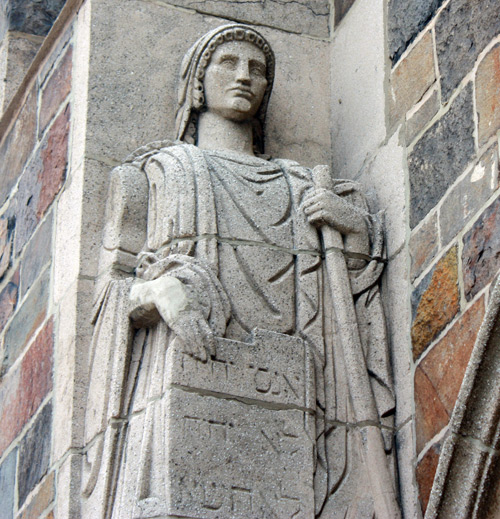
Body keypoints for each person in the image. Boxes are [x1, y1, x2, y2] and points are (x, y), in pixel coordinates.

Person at [83, 24, 396, 518]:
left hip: (294, 404)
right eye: (227, 62)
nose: (244, 76)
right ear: (198, 81)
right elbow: (109, 299)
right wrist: (158, 292)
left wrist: (352, 229)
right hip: (181, 393)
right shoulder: (152, 177)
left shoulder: (299, 186)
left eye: (258, 70)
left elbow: (347, 295)